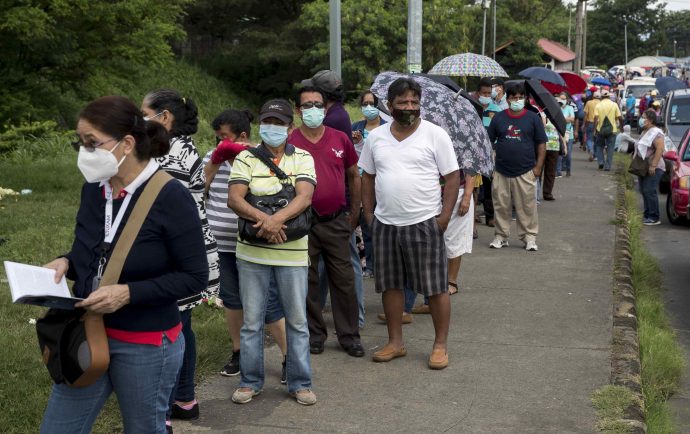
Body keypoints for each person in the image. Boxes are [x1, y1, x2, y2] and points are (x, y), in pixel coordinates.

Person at [41, 96, 209, 433]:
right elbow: (93, 252)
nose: (84, 152)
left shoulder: (170, 196)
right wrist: (66, 262)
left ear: (127, 143)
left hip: (145, 342)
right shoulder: (94, 189)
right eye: (81, 143)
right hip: (87, 332)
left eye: (92, 143)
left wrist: (128, 293)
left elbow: (194, 277)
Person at [360, 77, 460, 370]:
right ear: (389, 106)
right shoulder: (377, 137)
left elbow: (452, 176)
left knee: (436, 287)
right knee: (390, 286)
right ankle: (395, 342)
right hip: (386, 224)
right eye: (403, 102)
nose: (409, 107)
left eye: (414, 102)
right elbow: (367, 175)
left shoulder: (435, 134)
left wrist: (443, 217)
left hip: (424, 222)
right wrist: (369, 213)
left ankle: (440, 345)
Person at [227, 99, 317, 406]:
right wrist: (267, 221)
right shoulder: (246, 159)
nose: (272, 128)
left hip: (292, 253)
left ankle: (300, 382)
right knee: (252, 321)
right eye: (267, 122)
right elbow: (235, 198)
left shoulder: (303, 157)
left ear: (290, 128)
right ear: (259, 125)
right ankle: (250, 381)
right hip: (252, 252)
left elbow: (304, 197)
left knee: (297, 321)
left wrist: (273, 220)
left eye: (279, 123)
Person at [140, 89, 220, 424]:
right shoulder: (176, 150)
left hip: (178, 256)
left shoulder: (171, 157)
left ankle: (170, 403)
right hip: (189, 252)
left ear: (164, 118)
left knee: (170, 331)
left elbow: (159, 212)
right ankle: (184, 399)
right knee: (181, 327)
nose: (138, 119)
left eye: (143, 113)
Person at [201, 110, 288, 383]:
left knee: (269, 301)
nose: (220, 143)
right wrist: (216, 160)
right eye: (217, 138)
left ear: (241, 136)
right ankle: (238, 352)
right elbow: (199, 187)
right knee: (232, 300)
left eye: (225, 138)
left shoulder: (260, 158)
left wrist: (243, 155)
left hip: (253, 241)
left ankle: (289, 357)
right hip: (221, 244)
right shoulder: (211, 157)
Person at [289, 86, 364, 358]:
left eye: (317, 104)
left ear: (325, 108)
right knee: (307, 281)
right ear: (298, 111)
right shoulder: (290, 141)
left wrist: (354, 213)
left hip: (336, 221)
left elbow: (354, 176)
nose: (312, 110)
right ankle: (315, 335)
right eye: (306, 105)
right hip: (303, 222)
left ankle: (349, 336)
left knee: (343, 280)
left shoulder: (340, 139)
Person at [302, 70, 365, 328]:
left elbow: (350, 169)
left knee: (346, 266)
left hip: (339, 211)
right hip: (328, 210)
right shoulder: (336, 113)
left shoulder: (335, 118)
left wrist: (354, 210)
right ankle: (324, 312)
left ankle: (355, 317)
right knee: (327, 267)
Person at [487, 82, 547, 251]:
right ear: (508, 99)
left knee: (527, 206)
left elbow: (541, 144)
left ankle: (529, 238)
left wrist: (538, 168)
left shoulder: (533, 118)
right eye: (514, 97)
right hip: (501, 170)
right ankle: (501, 236)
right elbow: (488, 142)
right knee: (501, 205)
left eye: (520, 98)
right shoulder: (498, 118)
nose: (517, 100)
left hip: (526, 170)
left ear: (525, 99)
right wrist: (491, 166)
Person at [352, 91, 387, 281]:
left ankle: (382, 264)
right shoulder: (356, 127)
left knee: (380, 225)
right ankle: (369, 265)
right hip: (360, 182)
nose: (368, 107)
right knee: (366, 224)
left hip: (380, 183)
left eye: (372, 103)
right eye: (364, 103)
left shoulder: (387, 128)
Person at [634, 109, 666, 226]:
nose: (641, 119)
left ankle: (654, 217)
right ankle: (647, 214)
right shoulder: (645, 131)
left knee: (649, 190)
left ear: (651, 120)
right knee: (643, 190)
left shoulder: (656, 133)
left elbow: (660, 149)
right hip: (643, 166)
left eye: (644, 117)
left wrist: (653, 165)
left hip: (654, 167)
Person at [477, 77, 501, 227]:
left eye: (488, 93)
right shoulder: (471, 106)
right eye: (483, 93)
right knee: (472, 185)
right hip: (473, 151)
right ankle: (472, 215)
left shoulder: (496, 110)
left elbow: (499, 131)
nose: (485, 96)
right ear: (478, 93)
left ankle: (490, 216)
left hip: (490, 151)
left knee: (488, 184)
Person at [593, 88, 624, 171]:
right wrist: (621, 127)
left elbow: (596, 118)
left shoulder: (598, 105)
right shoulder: (614, 105)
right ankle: (608, 166)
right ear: (609, 97)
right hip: (612, 130)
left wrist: (594, 129)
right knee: (610, 148)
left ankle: (601, 162)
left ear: (601, 97)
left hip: (600, 129)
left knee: (599, 146)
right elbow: (620, 117)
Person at [541, 117, 562, 201]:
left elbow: (561, 132)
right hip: (542, 146)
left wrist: (564, 145)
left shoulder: (558, 118)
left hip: (554, 147)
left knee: (550, 171)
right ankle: (535, 192)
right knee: (538, 170)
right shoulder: (542, 116)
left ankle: (547, 193)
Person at [556, 93, 575, 177]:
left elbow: (572, 119)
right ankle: (558, 171)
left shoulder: (570, 108)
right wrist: (566, 119)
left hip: (568, 134)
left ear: (567, 100)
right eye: (561, 98)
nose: (562, 100)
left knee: (568, 153)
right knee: (559, 152)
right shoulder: (556, 108)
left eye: (564, 99)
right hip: (559, 133)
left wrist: (562, 119)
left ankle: (568, 170)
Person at [583, 90, 601, 162]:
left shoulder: (589, 102)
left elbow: (586, 114)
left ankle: (590, 149)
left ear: (593, 96)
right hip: (599, 124)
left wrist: (584, 124)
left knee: (589, 139)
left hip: (590, 123)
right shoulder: (601, 103)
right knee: (597, 140)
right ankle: (596, 155)